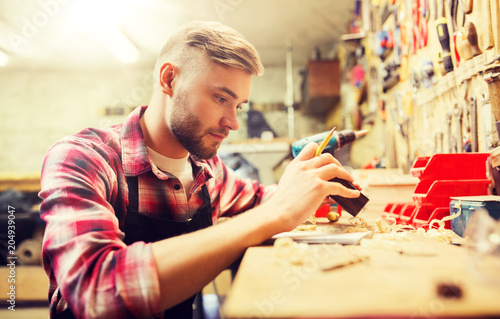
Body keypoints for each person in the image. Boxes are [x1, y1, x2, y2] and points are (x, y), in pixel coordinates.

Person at [39, 21, 361, 319]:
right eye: (221, 98)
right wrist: (273, 214)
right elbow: (96, 292)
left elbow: (263, 197)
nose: (233, 123)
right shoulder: (84, 159)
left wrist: (312, 187)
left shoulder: (208, 171)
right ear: (169, 80)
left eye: (238, 106)